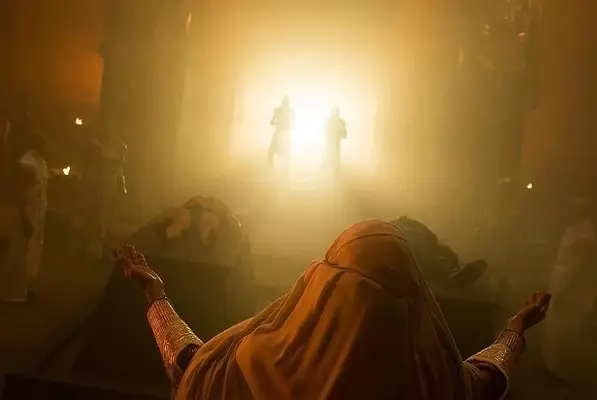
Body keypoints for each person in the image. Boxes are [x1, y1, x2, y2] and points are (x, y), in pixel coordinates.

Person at [115, 219, 550, 399]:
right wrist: (514, 331)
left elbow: (192, 364)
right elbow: (487, 379)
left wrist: (156, 297)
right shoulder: (433, 380)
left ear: (322, 284)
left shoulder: (255, 363)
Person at [542, 197, 597, 387]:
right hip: (565, 286)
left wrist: (563, 289)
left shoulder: (583, 233)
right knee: (557, 328)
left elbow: (577, 266)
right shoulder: (575, 230)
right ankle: (555, 367)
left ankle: (562, 372)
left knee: (564, 330)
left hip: (572, 291)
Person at [268, 96, 294, 169]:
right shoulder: (291, 112)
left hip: (280, 132)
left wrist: (278, 124)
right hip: (284, 132)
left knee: (272, 150)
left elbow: (271, 122)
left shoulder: (278, 111)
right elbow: (292, 125)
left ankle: (272, 166)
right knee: (284, 150)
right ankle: (281, 166)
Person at [323, 105, 347, 175]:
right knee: (334, 152)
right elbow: (344, 132)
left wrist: (343, 134)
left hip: (332, 139)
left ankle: (332, 167)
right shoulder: (340, 121)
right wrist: (343, 135)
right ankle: (335, 168)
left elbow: (324, 130)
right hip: (334, 140)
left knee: (331, 152)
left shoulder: (329, 121)